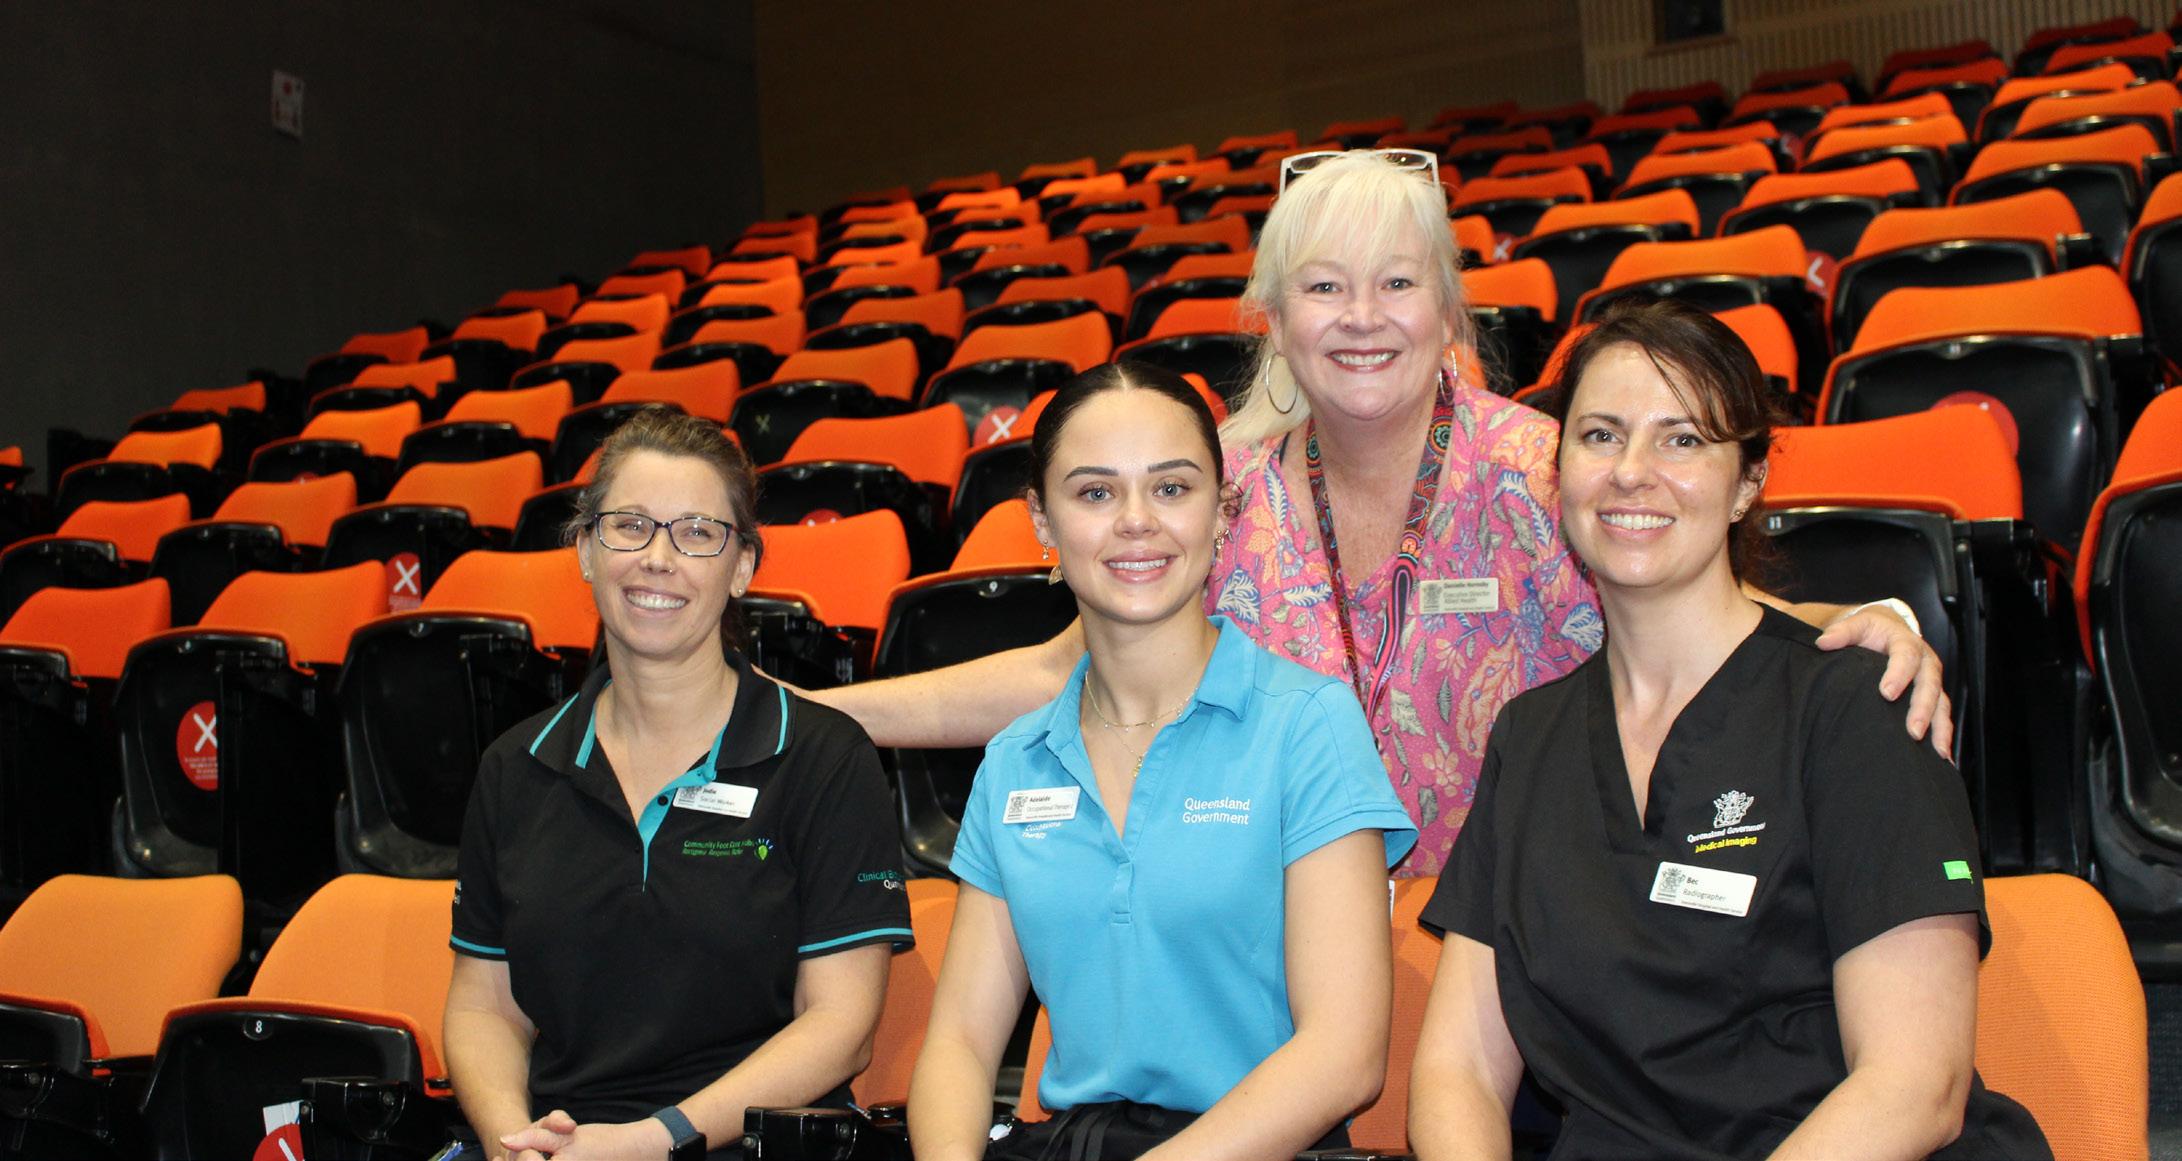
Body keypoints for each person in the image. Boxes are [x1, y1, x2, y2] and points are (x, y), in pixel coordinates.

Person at [810, 149, 1947, 876]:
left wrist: (1868, 623)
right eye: (1324, 286)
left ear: (1447, 307)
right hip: (1280, 960)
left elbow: (1707, 617)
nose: (1362, 318)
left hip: (1520, 943)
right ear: (1272, 315)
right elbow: (1065, 672)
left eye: (1397, 282)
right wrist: (815, 716)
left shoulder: (1542, 471)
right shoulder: (1221, 495)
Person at [1406, 299, 2048, 1160]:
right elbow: (1461, 1071)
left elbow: (1915, 1085)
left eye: (1682, 439)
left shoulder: (1854, 704)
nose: (1631, 471)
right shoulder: (1528, 736)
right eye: (1599, 435)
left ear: (1748, 482)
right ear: (1559, 472)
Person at [906, 364, 1419, 1160]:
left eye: (1172, 487)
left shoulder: (1307, 724)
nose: (1136, 521)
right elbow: (961, 1045)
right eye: (1095, 492)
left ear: (1223, 510)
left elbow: (1345, 1054)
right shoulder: (1015, 761)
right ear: (1042, 519)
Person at [442, 407, 912, 1161]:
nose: (658, 558)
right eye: (629, 526)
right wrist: (510, 1142)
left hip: (746, 1144)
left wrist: (655, 1140)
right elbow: (485, 1005)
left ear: (743, 566)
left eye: (697, 532)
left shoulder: (824, 757)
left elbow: (841, 1026)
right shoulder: (514, 765)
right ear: (585, 550)